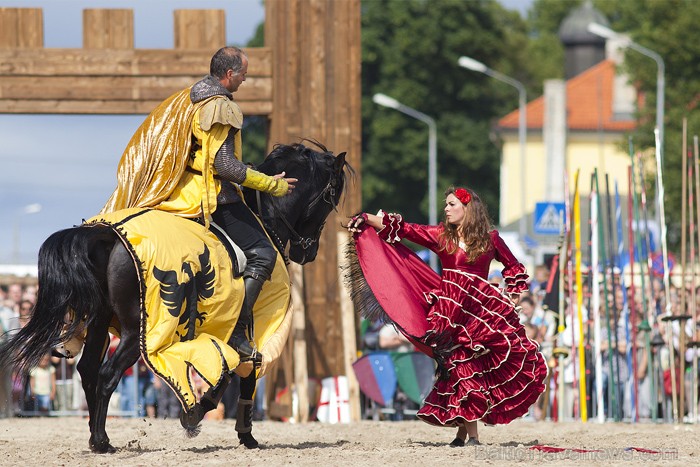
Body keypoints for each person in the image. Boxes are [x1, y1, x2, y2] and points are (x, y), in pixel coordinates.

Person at [101, 46, 297, 361]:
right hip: (212, 198)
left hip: (173, 192)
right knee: (263, 255)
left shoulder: (186, 99)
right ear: (230, 73)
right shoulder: (220, 107)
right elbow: (226, 167)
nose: (245, 80)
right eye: (244, 74)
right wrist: (272, 184)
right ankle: (237, 332)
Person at [346, 186, 547, 446]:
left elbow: (514, 267)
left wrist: (513, 295)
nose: (447, 209)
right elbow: (407, 229)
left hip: (479, 312)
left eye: (452, 204)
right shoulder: (442, 236)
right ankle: (468, 434)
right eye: (446, 204)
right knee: (459, 364)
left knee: (467, 367)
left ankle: (465, 434)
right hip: (450, 312)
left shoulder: (491, 238)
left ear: (467, 208)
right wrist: (366, 218)